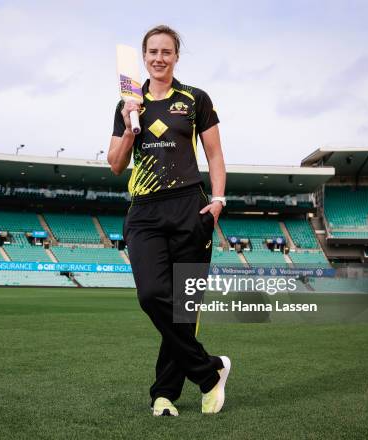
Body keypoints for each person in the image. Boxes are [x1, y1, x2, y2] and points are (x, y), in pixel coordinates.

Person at [107, 25, 230, 416]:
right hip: (144, 210)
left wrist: (218, 199)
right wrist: (130, 127)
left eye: (167, 52)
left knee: (183, 308)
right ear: (143, 57)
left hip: (189, 209)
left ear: (176, 56)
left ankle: (164, 395)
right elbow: (115, 164)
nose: (159, 58)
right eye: (153, 52)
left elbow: (214, 155)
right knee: (151, 296)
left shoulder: (195, 99)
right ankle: (210, 372)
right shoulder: (127, 103)